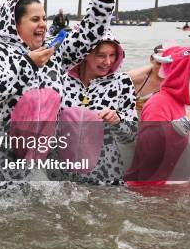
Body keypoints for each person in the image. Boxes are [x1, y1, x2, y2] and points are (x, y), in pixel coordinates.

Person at [0, 0, 116, 186]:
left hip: (47, 157)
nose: (43, 25)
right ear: (14, 24)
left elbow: (92, 32)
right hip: (2, 159)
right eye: (35, 19)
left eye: (44, 19)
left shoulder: (55, 51)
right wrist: (27, 63)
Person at [54, 30, 138, 185]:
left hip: (105, 175)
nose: (108, 62)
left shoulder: (122, 82)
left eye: (112, 55)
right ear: (84, 54)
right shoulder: (61, 80)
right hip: (61, 176)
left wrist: (117, 121)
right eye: (101, 55)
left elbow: (131, 135)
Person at [126, 46, 190, 184]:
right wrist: (187, 121)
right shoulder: (159, 103)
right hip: (155, 190)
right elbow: (150, 151)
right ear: (185, 76)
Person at [127, 45, 167, 116]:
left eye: (167, 64)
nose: (162, 68)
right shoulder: (134, 77)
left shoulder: (180, 80)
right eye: (159, 63)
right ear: (151, 59)